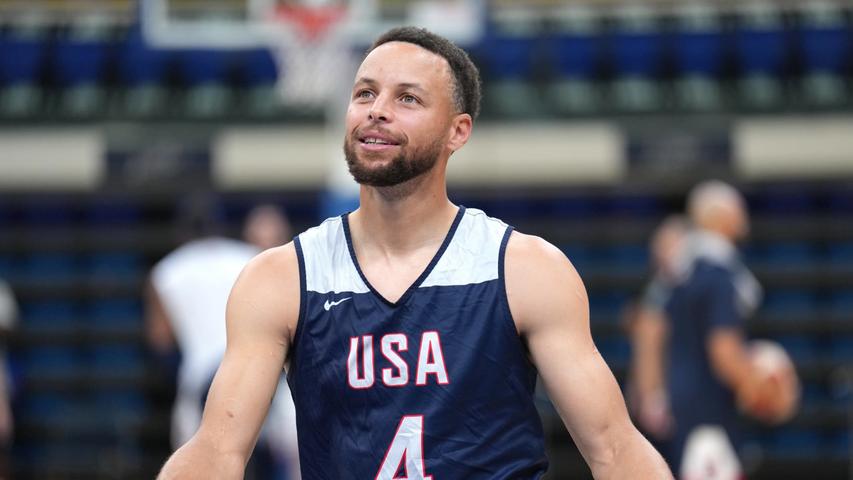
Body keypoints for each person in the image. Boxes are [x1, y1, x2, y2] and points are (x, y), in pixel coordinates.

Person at [158, 27, 671, 479]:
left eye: (408, 98)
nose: (377, 109)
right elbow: (217, 451)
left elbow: (614, 449)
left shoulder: (525, 269)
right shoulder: (281, 277)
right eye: (365, 93)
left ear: (458, 131)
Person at [147, 200, 298, 479]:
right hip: (260, 370)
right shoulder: (249, 258)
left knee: (201, 460)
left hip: (203, 376)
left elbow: (161, 340)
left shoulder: (167, 271)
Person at [633, 181, 772, 478]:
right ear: (719, 217)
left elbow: (649, 330)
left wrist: (650, 392)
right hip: (709, 406)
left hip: (681, 402)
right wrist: (755, 386)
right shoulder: (719, 274)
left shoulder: (681, 273)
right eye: (737, 209)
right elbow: (723, 350)